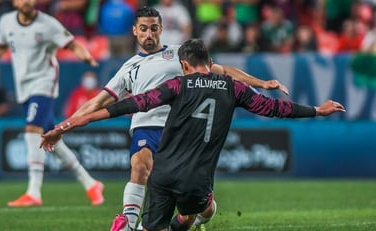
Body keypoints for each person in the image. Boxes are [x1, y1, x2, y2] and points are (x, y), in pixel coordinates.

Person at [40, 39, 346, 230]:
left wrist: (66, 125)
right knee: (200, 211)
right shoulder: (233, 87)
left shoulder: (177, 86)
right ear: (211, 64)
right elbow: (274, 109)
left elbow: (126, 106)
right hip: (196, 180)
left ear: (184, 65)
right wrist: (317, 110)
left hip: (162, 176)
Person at [52, 6, 288, 231]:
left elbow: (223, 71)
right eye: (143, 28)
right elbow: (97, 102)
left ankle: (199, 215)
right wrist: (65, 126)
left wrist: (261, 83)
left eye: (154, 28)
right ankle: (128, 223)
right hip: (146, 126)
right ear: (135, 30)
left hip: (180, 130)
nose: (149, 33)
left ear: (161, 29)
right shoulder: (128, 68)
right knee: (139, 165)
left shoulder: (179, 53)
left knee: (200, 205)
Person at [0, 0, 104, 207]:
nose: (26, 1)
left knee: (32, 129)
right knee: (52, 140)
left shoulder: (48, 24)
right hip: (25, 87)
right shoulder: (6, 22)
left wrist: (86, 57)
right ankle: (91, 183)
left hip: (44, 82)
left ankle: (33, 192)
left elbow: (72, 43)